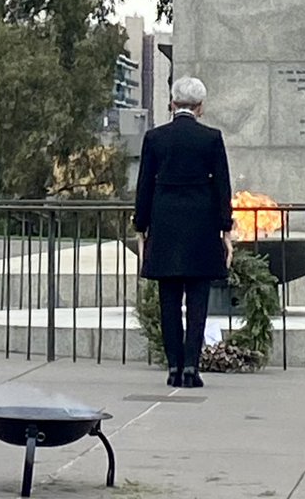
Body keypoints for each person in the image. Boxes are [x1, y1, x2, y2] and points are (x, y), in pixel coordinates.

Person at [134, 76, 234, 388]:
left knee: (169, 301)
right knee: (198, 302)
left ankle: (174, 367)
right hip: (201, 226)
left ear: (173, 103)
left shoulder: (155, 138)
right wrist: (225, 229)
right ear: (200, 107)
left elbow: (144, 186)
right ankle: (192, 366)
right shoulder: (211, 138)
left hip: (165, 226)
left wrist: (141, 227)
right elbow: (222, 187)